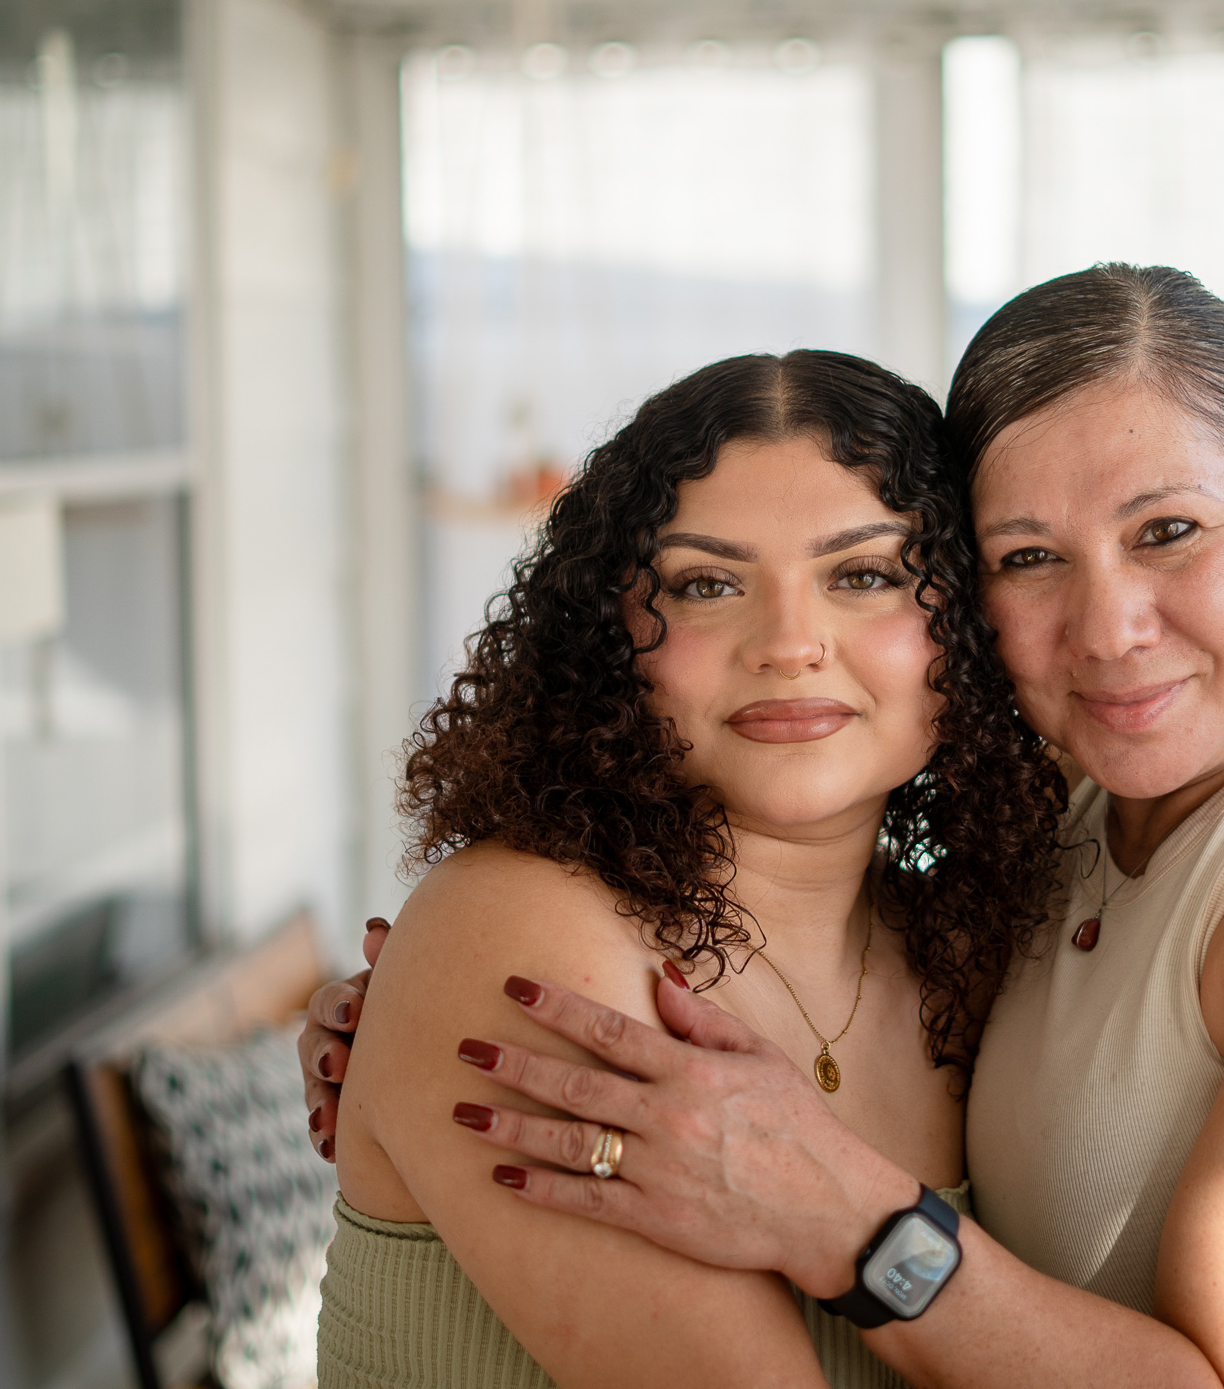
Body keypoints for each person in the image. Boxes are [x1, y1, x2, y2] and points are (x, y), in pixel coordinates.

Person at [310, 264, 1224, 1389]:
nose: (1109, 628)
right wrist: (406, 1020)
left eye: (865, 572)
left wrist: (854, 1219)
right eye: (1028, 557)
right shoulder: (1036, 871)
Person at [317, 350, 1069, 1389]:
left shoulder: (969, 959)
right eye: (706, 584)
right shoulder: (520, 932)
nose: (790, 643)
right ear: (608, 638)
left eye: (864, 573)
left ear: (970, 627)